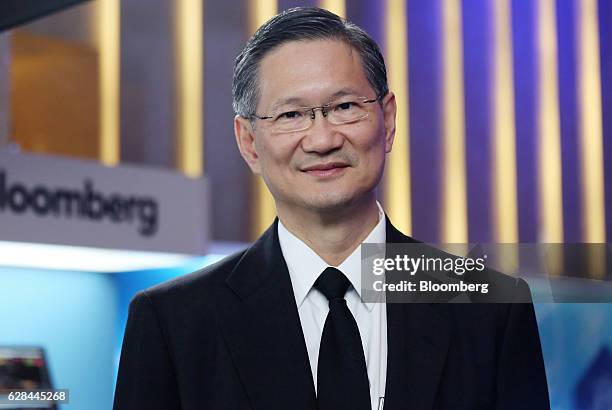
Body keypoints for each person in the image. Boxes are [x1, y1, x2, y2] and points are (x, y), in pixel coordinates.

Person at [113, 7, 549, 410]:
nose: (322, 140)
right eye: (290, 115)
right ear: (249, 142)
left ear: (388, 119)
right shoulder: (173, 322)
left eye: (344, 107)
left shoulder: (491, 308)